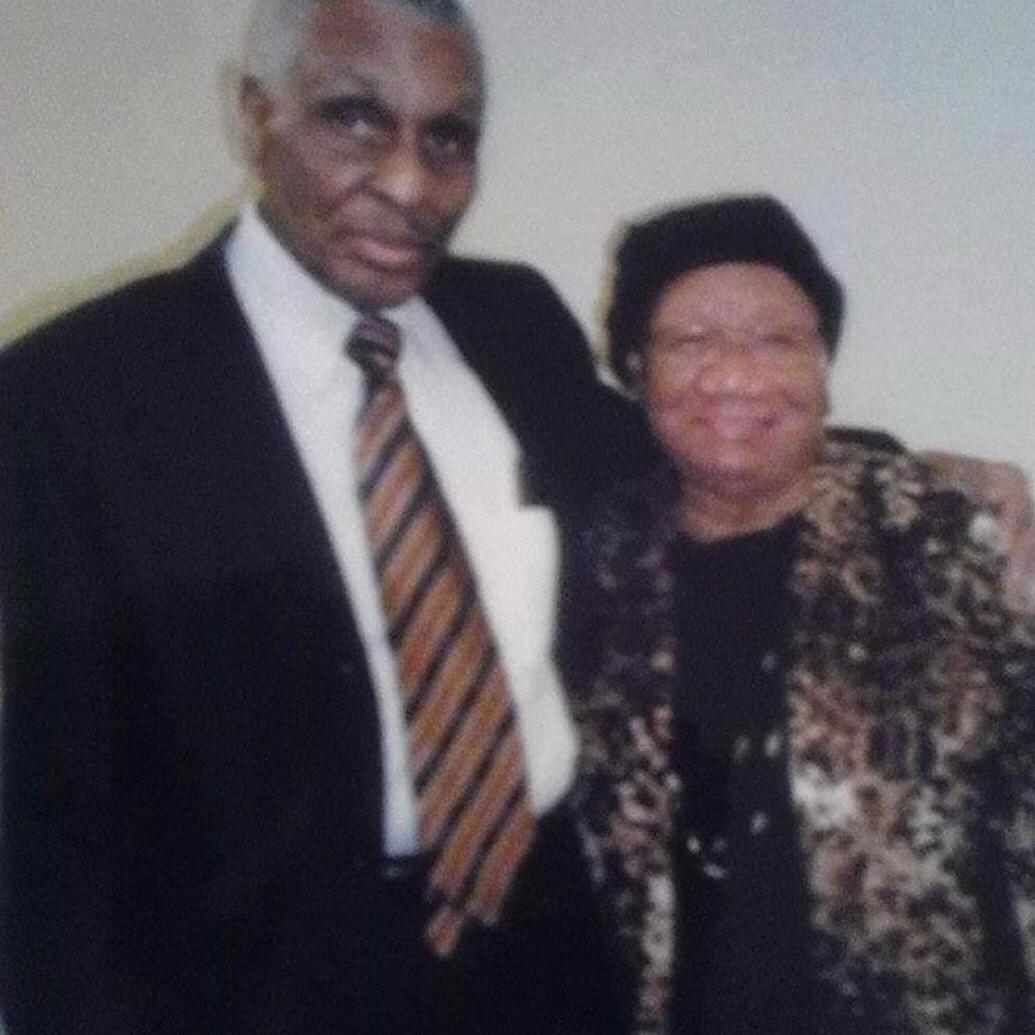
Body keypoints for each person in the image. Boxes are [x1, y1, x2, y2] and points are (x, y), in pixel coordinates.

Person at [0, 1, 637, 1032]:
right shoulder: (72, 397)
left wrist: (887, 473)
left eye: (448, 137)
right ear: (254, 115)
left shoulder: (512, 321)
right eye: (354, 117)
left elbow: (678, 473)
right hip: (258, 985)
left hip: (546, 949)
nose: (410, 185)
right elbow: (54, 805)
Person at [563, 195, 1035, 1034]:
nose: (733, 375)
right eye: (690, 341)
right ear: (635, 368)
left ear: (822, 365)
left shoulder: (944, 536)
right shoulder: (590, 558)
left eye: (775, 340)